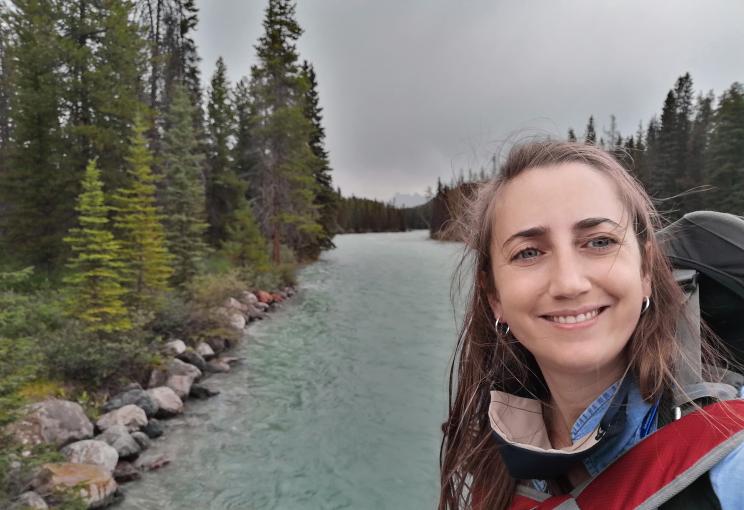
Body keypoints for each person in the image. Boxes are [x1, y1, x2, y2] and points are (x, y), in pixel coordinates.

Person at [438, 141, 744, 509]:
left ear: (646, 271)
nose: (569, 283)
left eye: (599, 242)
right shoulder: (497, 463)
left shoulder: (730, 463)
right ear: (495, 297)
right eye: (529, 252)